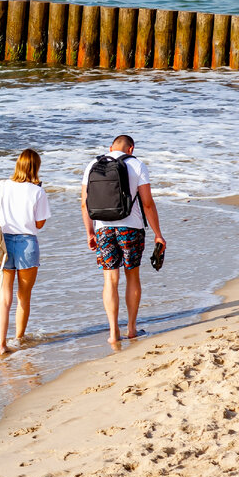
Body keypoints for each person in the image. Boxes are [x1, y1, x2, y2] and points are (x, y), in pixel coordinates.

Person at [80, 134, 166, 344]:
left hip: (103, 228)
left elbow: (84, 204)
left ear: (110, 148)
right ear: (131, 149)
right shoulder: (136, 165)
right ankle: (132, 329)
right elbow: (147, 203)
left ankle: (112, 333)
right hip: (131, 228)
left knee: (110, 280)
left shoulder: (93, 164)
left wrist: (90, 232)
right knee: (132, 277)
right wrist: (158, 234)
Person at [0, 149, 50, 355]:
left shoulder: (2, 186)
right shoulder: (38, 191)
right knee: (24, 296)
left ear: (18, 165)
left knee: (4, 299)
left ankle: (1, 345)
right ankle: (18, 339)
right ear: (36, 167)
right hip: (27, 243)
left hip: (3, 243)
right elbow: (39, 224)